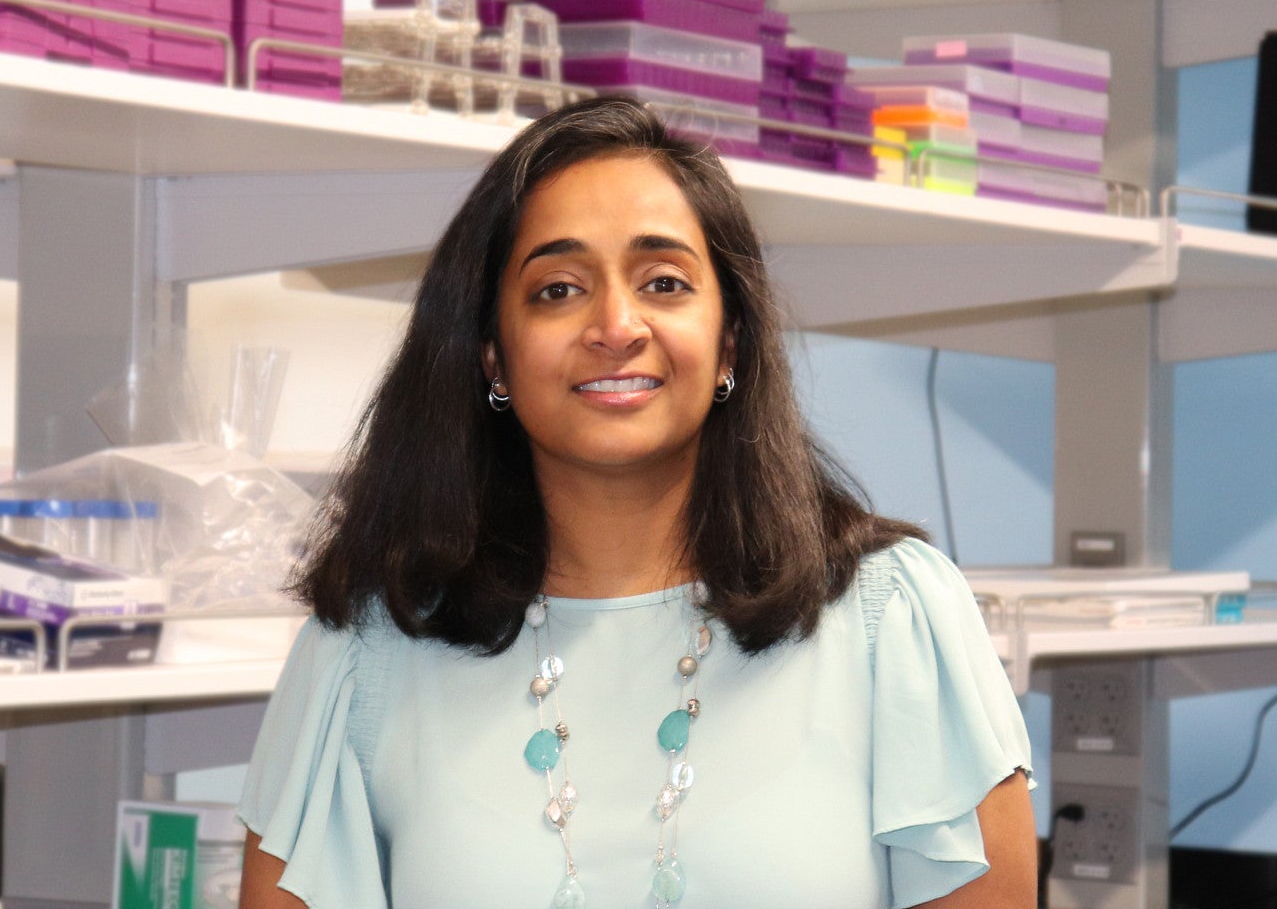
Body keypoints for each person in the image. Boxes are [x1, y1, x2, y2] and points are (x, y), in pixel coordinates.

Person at [238, 97, 1035, 909]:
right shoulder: (368, 647)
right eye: (557, 289)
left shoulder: (890, 618)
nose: (616, 326)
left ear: (730, 341)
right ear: (492, 358)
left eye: (664, 281)